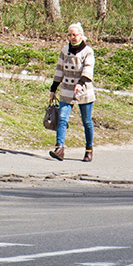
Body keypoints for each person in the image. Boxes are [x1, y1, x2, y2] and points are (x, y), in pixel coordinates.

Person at [48, 21, 95, 162]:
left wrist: (80, 83)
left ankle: (89, 149)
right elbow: (59, 70)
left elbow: (88, 69)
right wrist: (53, 89)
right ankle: (59, 148)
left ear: (81, 35)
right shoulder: (64, 50)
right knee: (62, 118)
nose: (72, 37)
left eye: (75, 34)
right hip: (66, 90)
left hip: (83, 91)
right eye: (70, 35)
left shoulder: (88, 51)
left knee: (86, 121)